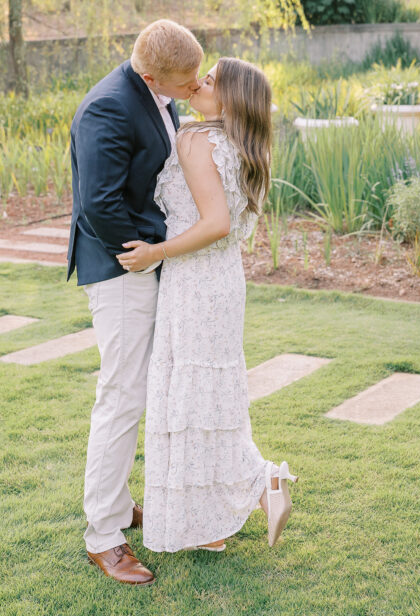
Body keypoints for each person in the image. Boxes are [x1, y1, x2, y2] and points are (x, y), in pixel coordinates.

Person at [117, 57, 297, 557]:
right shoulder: (237, 145)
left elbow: (216, 223)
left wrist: (156, 252)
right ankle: (210, 521)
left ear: (230, 100)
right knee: (207, 402)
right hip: (219, 280)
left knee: (194, 399)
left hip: (195, 280)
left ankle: (261, 483)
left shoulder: (198, 140)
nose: (199, 83)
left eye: (211, 80)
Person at [67, 19, 203, 585]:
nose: (194, 87)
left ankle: (120, 507)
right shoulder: (108, 108)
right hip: (120, 268)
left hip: (147, 261)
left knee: (136, 392)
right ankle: (103, 535)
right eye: (185, 81)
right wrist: (143, 256)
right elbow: (98, 204)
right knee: (121, 397)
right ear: (151, 76)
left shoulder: (156, 93)